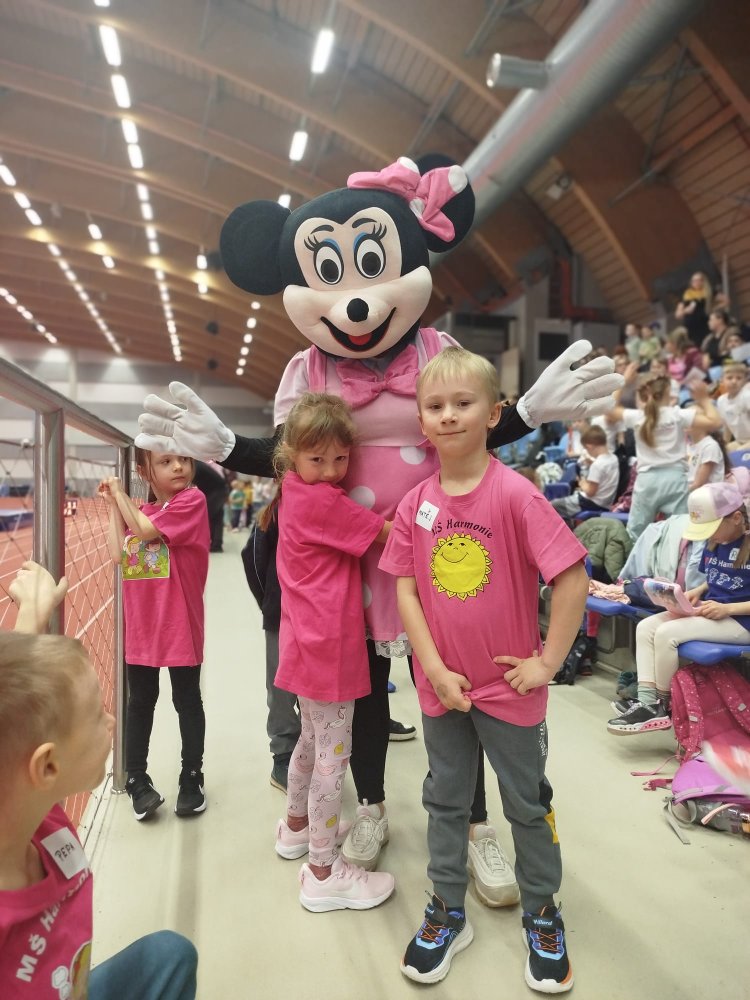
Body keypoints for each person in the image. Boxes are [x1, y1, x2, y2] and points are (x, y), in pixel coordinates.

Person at [379, 347, 588, 992]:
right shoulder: (416, 504)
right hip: (442, 688)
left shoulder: (516, 495)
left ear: (494, 414)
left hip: (510, 691)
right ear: (421, 421)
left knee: (527, 803)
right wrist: (434, 669)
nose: (448, 415)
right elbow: (406, 589)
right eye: (435, 406)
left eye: (463, 403)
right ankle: (447, 908)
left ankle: (542, 912)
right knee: (445, 799)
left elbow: (571, 576)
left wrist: (548, 662)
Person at [0, 561, 198, 999]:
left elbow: (15, 717)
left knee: (172, 955)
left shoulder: (28, 803)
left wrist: (31, 616)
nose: (111, 721)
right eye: (96, 715)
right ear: (47, 766)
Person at [271, 393, 396, 912]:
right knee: (332, 759)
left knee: (310, 739)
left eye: (340, 458)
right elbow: (388, 536)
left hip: (305, 642)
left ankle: (296, 826)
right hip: (330, 646)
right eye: (317, 458)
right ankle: (323, 871)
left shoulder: (293, 490)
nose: (329, 471)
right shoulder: (324, 502)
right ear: (291, 454)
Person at [98, 449, 209, 820]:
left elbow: (147, 532)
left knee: (186, 699)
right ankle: (136, 779)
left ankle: (192, 776)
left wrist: (120, 495)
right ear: (145, 471)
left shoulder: (191, 501)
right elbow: (119, 554)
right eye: (165, 461)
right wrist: (115, 506)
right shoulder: (141, 511)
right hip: (142, 626)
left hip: (180, 624)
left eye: (184, 459)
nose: (178, 466)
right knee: (141, 701)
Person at [608, 480, 750, 734]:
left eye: (712, 528)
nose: (709, 535)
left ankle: (662, 707)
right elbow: (719, 576)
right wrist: (699, 590)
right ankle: (647, 701)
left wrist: (728, 609)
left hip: (741, 621)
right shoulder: (715, 542)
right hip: (713, 611)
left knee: (667, 634)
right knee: (646, 627)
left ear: (736, 518)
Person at [607, 365, 722, 540]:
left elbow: (608, 411)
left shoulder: (638, 416)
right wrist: (704, 400)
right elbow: (716, 422)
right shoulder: (677, 414)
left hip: (647, 481)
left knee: (635, 534)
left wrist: (623, 382)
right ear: (668, 392)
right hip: (675, 478)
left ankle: (634, 558)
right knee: (679, 533)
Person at [550, 424, 619, 522]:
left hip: (590, 503)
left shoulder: (597, 465)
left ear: (589, 446)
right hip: (606, 503)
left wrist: (582, 483)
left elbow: (590, 492)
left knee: (552, 505)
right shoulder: (614, 459)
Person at [716, 362, 750, 449]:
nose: (734, 381)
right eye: (729, 378)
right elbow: (727, 427)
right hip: (740, 441)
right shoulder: (721, 400)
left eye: (739, 378)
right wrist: (724, 446)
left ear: (744, 381)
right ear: (722, 380)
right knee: (720, 452)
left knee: (738, 452)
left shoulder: (747, 396)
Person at [675, 271, 712, 349]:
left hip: (705, 323)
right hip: (692, 326)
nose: (696, 282)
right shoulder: (687, 295)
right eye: (694, 281)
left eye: (699, 280)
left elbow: (725, 301)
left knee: (709, 344)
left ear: (703, 281)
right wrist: (686, 311)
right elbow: (678, 315)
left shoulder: (708, 293)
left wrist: (713, 308)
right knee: (698, 346)